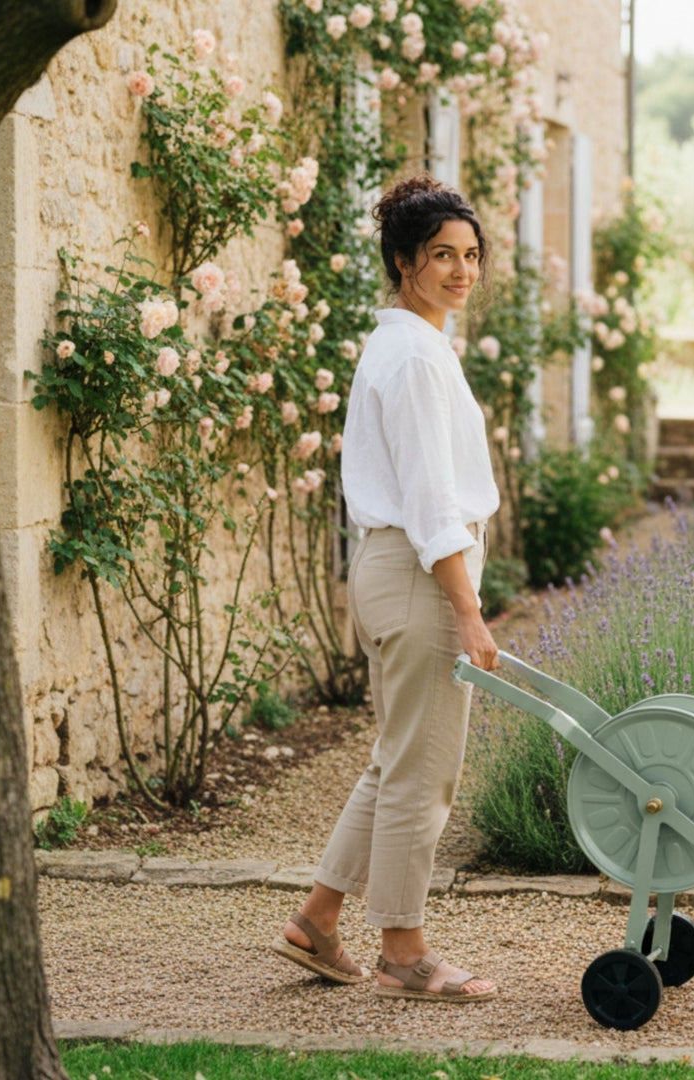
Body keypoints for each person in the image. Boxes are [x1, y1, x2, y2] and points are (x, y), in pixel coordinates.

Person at [271, 174, 500, 1002]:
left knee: (393, 762)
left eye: (471, 255)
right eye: (442, 255)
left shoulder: (415, 346)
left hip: (402, 570)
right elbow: (434, 497)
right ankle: (404, 948)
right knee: (422, 774)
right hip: (418, 574)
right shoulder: (410, 358)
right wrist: (468, 612)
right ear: (404, 261)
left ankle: (316, 921)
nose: (461, 270)